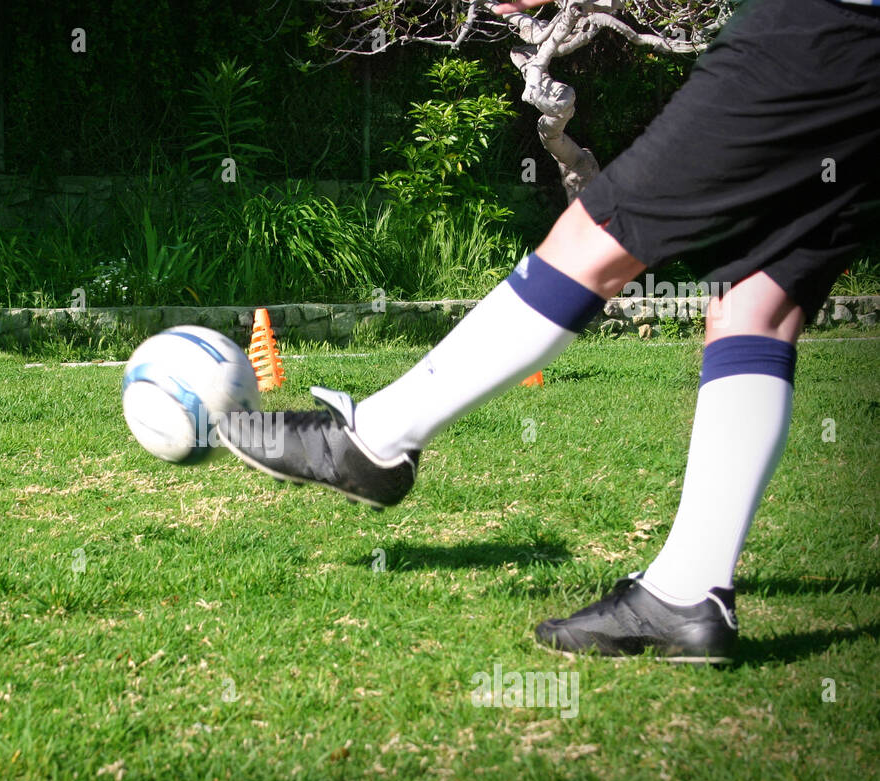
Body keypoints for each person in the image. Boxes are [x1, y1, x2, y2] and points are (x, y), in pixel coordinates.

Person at [217, 0, 880, 664]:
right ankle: (687, 593)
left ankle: (374, 439)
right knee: (759, 301)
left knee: (597, 235)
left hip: (828, 29)